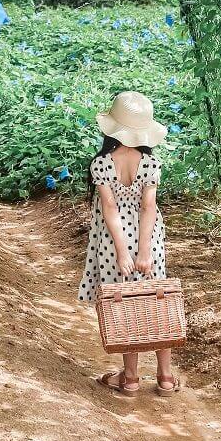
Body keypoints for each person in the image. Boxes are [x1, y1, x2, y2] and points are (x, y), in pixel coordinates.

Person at [77, 90, 180, 397]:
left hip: (112, 240)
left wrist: (123, 252)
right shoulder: (150, 163)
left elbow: (109, 209)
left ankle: (131, 378)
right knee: (156, 299)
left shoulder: (102, 163)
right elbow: (148, 208)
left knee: (124, 303)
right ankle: (165, 377)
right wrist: (144, 250)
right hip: (149, 237)